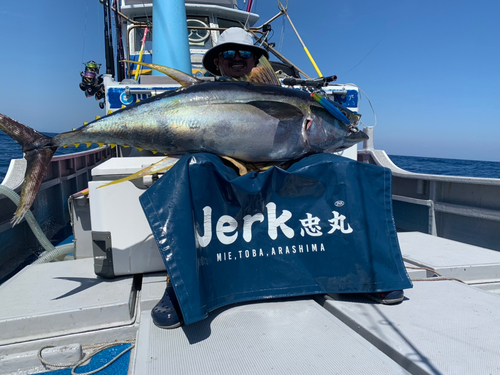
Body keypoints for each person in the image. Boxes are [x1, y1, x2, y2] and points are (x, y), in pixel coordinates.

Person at [150, 27, 405, 330]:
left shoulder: (285, 93)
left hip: (281, 162)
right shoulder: (202, 95)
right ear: (216, 62)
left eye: (243, 53)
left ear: (254, 60)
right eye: (227, 53)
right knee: (190, 172)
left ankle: (369, 271)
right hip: (224, 164)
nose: (236, 59)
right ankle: (179, 287)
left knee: (335, 169)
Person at [202, 27, 269, 79]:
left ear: (254, 60)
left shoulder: (269, 87)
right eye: (228, 54)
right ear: (217, 63)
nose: (237, 58)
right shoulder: (203, 92)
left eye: (245, 53)